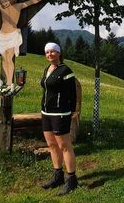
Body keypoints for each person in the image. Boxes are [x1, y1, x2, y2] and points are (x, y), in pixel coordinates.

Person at [39, 42, 81, 195]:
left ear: (59, 53)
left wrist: (73, 110)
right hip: (46, 113)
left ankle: (71, 179)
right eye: (47, 52)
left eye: (53, 51)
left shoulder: (65, 71)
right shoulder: (47, 69)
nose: (49, 54)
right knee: (52, 145)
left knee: (64, 146)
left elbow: (72, 92)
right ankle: (57, 176)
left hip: (60, 113)